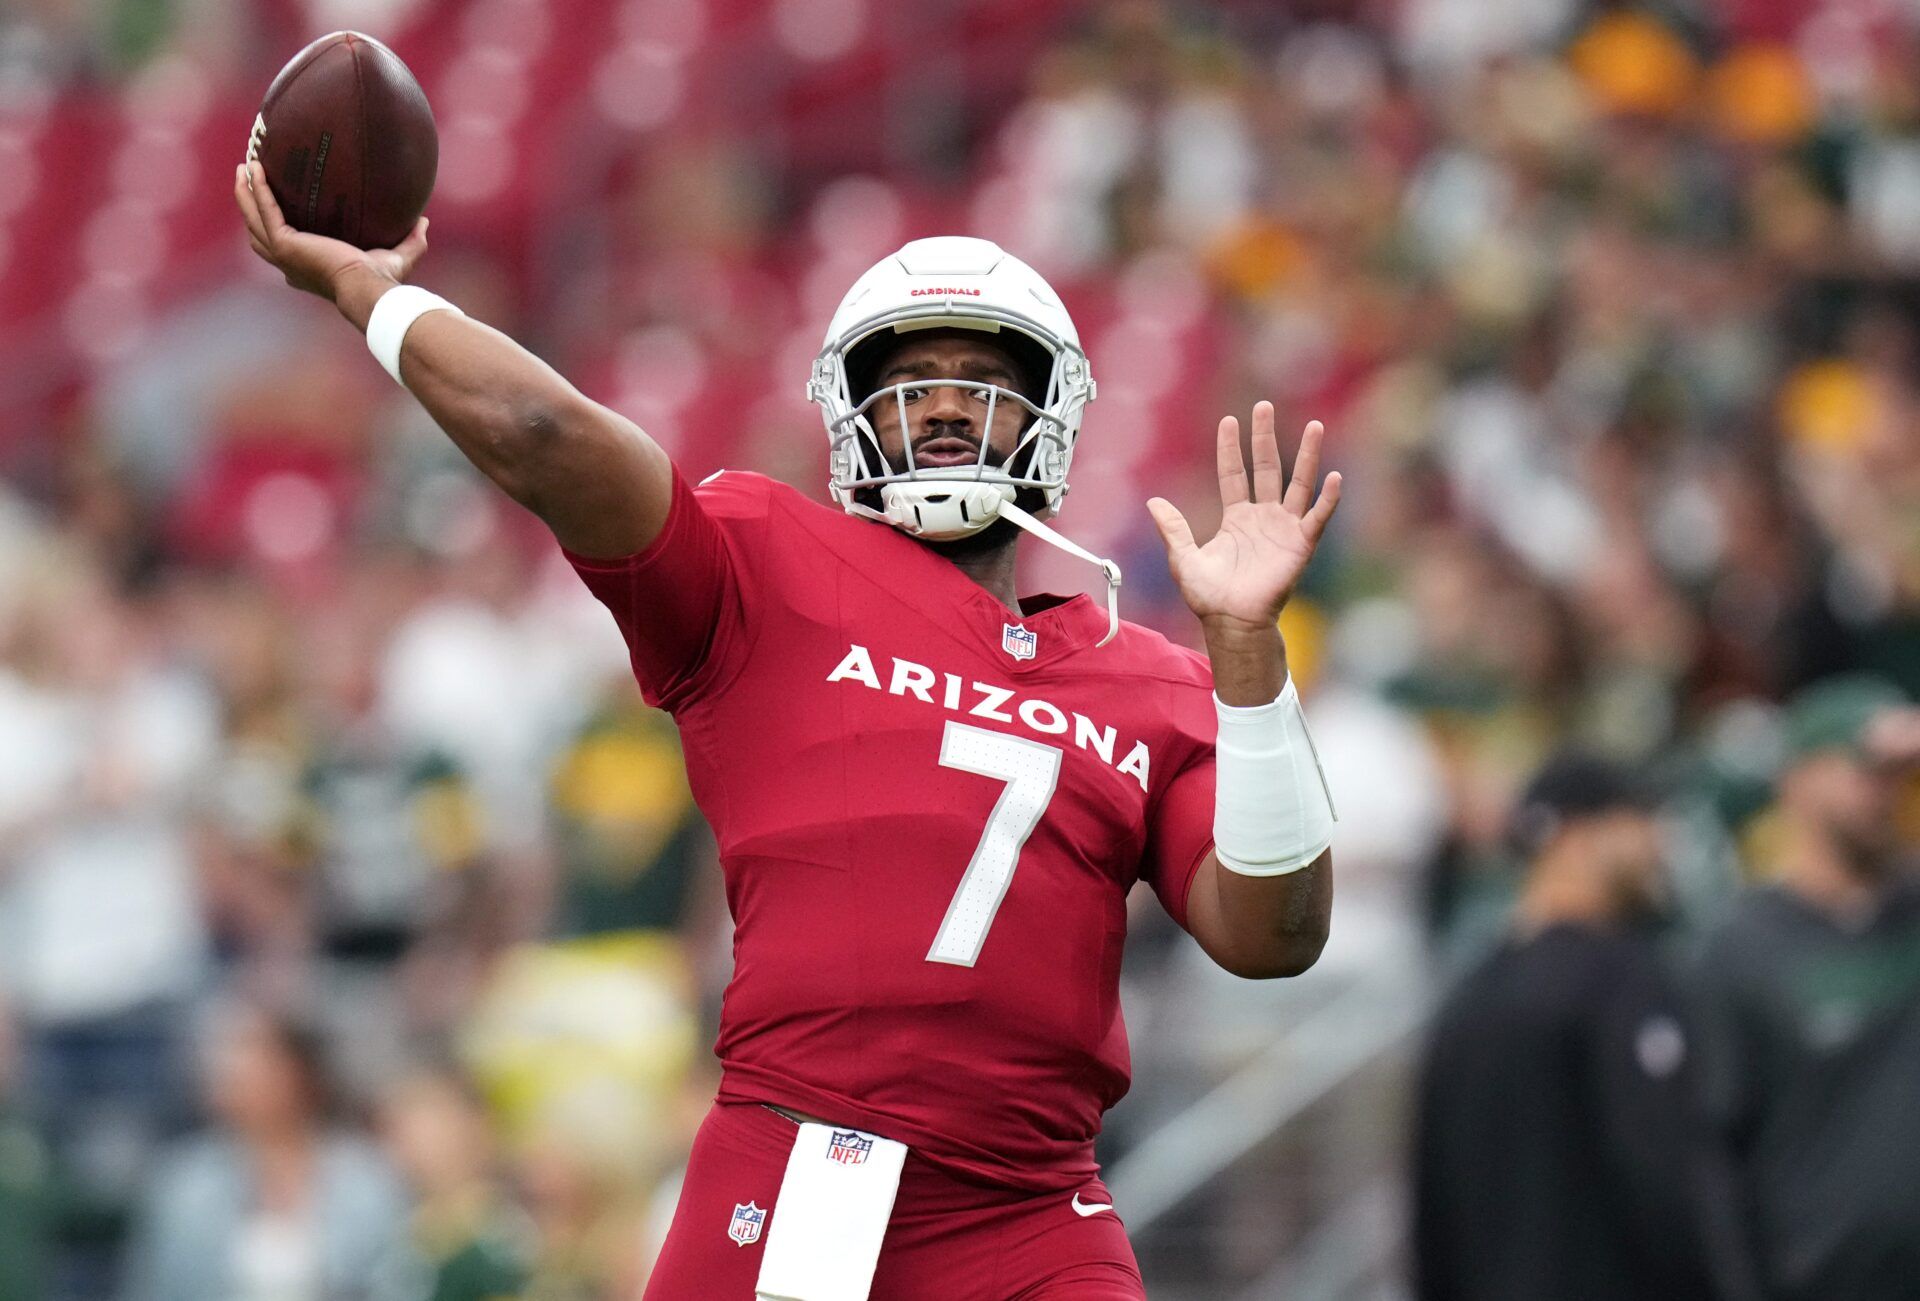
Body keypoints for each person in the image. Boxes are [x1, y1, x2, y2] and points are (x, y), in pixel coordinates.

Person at [234, 155, 1341, 1300]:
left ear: (1050, 415)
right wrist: (375, 294)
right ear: (852, 411)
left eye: (983, 378)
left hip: (1031, 1205)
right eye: (912, 379)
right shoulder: (763, 564)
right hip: (805, 1162)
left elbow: (1275, 935)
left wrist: (1250, 652)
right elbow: (542, 431)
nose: (950, 402)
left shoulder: (1150, 677)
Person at [1413, 751, 1757, 1301]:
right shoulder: (1624, 981)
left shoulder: (1470, 996)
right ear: (1578, 836)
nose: (1656, 844)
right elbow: (1668, 1183)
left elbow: (1433, 1206)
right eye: (1637, 819)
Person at [1694, 676, 1920, 1301]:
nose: (1887, 790)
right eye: (1866, 767)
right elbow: (1714, 1155)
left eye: (1900, 773)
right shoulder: (1740, 949)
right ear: (1797, 780)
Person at [120, 1001, 409, 1301]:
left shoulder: (366, 1174)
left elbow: (394, 1281)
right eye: (231, 1066)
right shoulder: (184, 1181)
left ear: (301, 1073)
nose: (238, 1076)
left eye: (258, 1064)